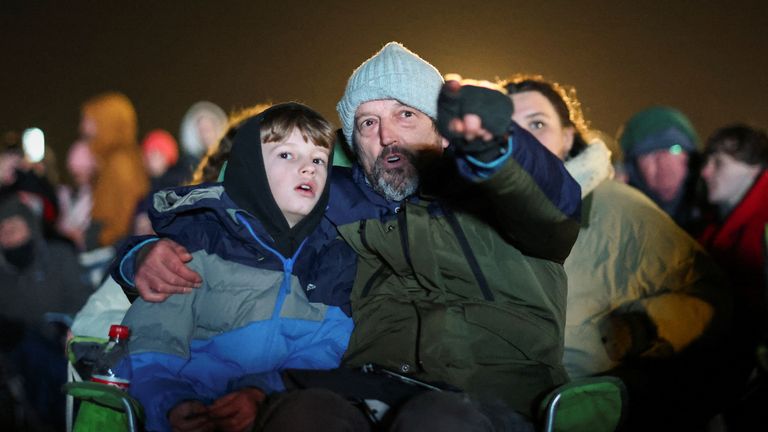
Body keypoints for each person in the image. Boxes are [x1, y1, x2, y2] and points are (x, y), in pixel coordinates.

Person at [114, 42, 582, 428]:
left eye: (406, 115)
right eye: (368, 123)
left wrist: (498, 150)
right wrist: (140, 255)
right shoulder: (331, 198)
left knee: (437, 423)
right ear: (354, 144)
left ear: (443, 132)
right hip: (366, 390)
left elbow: (551, 207)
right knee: (302, 417)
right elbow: (231, 210)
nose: (387, 137)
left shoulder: (494, 194)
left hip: (493, 400)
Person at [506, 76, 733, 429]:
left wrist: (642, 326)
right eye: (508, 127)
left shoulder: (620, 211)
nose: (523, 139)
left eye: (537, 123)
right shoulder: (469, 215)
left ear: (568, 137)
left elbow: (714, 297)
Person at [121, 102, 353, 432]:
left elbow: (328, 346)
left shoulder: (331, 259)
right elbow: (152, 339)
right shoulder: (199, 247)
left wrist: (264, 391)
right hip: (189, 411)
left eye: (318, 159)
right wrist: (170, 403)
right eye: (287, 155)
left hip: (275, 410)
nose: (308, 169)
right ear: (250, 167)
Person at [0, 193, 91, 430]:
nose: (7, 233)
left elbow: (83, 299)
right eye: (2, 229)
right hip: (19, 352)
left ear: (30, 227)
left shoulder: (58, 256)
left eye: (14, 226)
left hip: (64, 338)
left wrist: (67, 327)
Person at [698, 124, 768, 430]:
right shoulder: (719, 227)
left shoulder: (761, 231)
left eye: (719, 163)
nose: (705, 172)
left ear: (753, 168)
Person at [619, 106, 706, 234]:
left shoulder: (720, 218)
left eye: (674, 150)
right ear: (633, 168)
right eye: (648, 153)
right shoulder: (620, 222)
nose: (664, 165)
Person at [80, 92, 150, 248]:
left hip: (114, 248)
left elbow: (124, 217)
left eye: (90, 120)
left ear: (108, 122)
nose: (83, 127)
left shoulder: (120, 164)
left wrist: (101, 239)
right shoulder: (109, 161)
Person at [179, 100, 229, 180]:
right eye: (202, 131)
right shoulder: (193, 165)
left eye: (208, 128)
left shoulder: (231, 155)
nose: (206, 135)